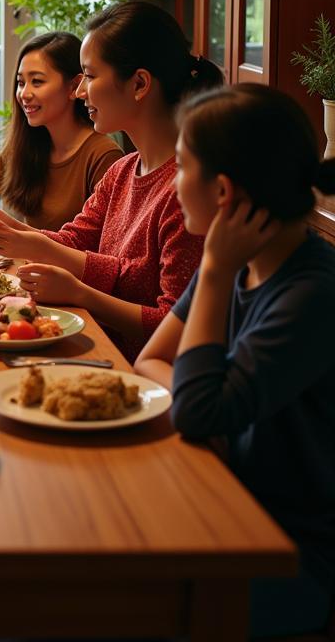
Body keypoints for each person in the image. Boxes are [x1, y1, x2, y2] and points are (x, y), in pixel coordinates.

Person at [134, 84, 335, 639]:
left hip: (281, 553)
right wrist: (207, 408)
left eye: (179, 168)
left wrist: (217, 273)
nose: (172, 187)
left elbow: (195, 410)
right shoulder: (239, 258)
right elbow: (150, 363)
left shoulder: (307, 294)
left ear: (222, 191)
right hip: (216, 495)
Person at [0, 1, 222, 360]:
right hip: (94, 348)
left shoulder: (188, 191)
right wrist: (15, 233)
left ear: (139, 84)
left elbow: (173, 326)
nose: (80, 91)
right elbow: (74, 240)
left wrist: (81, 294)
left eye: (89, 76)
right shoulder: (123, 171)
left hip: (134, 375)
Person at [0, 31, 121, 235]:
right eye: (21, 83)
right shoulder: (22, 144)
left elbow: (103, 246)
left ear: (74, 87)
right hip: (24, 265)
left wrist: (15, 234)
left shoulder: (103, 155)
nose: (24, 94)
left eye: (37, 82)